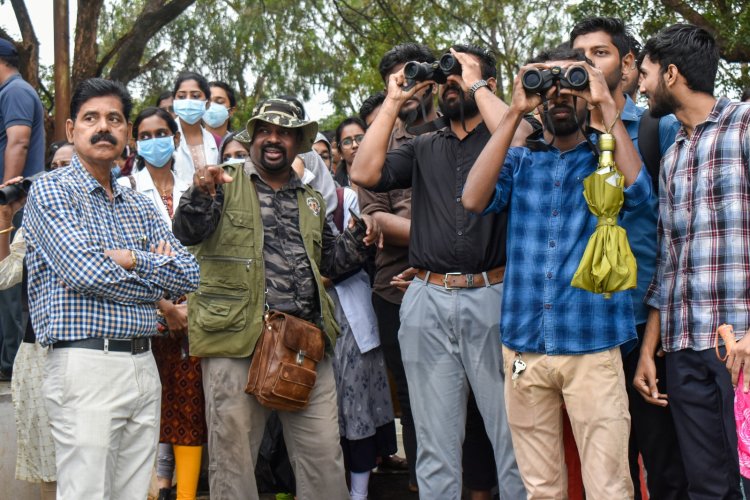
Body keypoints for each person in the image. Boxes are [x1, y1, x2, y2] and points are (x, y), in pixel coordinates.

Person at [461, 45, 651, 499]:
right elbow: (472, 199)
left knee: (608, 485)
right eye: (548, 90)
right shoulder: (521, 161)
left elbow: (640, 193)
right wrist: (513, 113)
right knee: (541, 487)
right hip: (524, 345)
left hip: (593, 342)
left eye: (571, 87)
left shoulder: (605, 157)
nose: (559, 97)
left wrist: (604, 100)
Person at [172, 97, 380, 499]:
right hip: (237, 342)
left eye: (284, 133)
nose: (273, 139)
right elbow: (188, 232)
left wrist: (361, 236)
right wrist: (200, 193)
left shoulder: (312, 199)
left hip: (304, 345)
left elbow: (331, 262)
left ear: (298, 142)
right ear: (252, 138)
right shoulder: (225, 182)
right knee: (233, 466)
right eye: (265, 130)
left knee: (324, 463)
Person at [350, 44, 527, 500]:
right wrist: (393, 101)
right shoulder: (423, 144)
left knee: (514, 436)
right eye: (445, 79)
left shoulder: (506, 135)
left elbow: (524, 133)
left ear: (486, 83)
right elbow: (364, 172)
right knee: (431, 442)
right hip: (427, 299)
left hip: (495, 296)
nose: (451, 85)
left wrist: (473, 81)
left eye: (461, 77)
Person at [22, 78, 201, 500]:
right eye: (91, 118)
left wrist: (135, 257)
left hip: (143, 363)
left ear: (126, 134)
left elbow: (190, 274)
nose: (103, 127)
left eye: (114, 119)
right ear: (71, 130)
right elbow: (85, 272)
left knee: (135, 493)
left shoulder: (137, 201)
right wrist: (156, 274)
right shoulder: (51, 191)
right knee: (86, 492)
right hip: (85, 365)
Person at [570, 16, 687, 499]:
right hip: (587, 324)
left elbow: (673, 226)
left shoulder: (660, 128)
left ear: (629, 63)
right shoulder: (563, 131)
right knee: (604, 465)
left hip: (647, 319)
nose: (589, 64)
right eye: (580, 55)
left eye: (600, 53)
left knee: (663, 462)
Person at [636, 24, 750, 498]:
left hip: (740, 346)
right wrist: (648, 349)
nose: (640, 87)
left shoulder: (745, 125)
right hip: (683, 349)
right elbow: (669, 262)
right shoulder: (671, 154)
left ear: (672, 74)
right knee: (706, 485)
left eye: (645, 74)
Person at [117, 106, 206, 500]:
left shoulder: (195, 185)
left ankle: (185, 494)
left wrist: (189, 308)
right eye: (146, 135)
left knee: (190, 406)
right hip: (146, 313)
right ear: (136, 142)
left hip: (196, 310)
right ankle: (153, 491)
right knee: (147, 407)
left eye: (161, 133)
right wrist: (165, 307)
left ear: (175, 137)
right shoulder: (124, 189)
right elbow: (125, 258)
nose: (154, 141)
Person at [0, 176, 56, 500]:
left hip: (85, 351)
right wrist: (7, 217)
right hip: (37, 354)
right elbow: (5, 274)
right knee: (47, 461)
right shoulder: (30, 232)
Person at [0, 37, 45, 383]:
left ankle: (10, 364)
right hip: (9, 206)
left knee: (11, 286)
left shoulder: (15, 91)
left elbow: (19, 141)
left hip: (15, 206)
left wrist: (4, 195)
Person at [171, 71, 219, 184]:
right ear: (174, 101)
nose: (188, 101)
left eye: (195, 96)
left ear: (207, 103)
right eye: (181, 96)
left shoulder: (213, 141)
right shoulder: (165, 136)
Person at [333, 116, 366, 187]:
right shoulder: (335, 187)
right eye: (347, 142)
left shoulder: (387, 173)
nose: (354, 145)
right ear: (340, 152)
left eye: (360, 138)